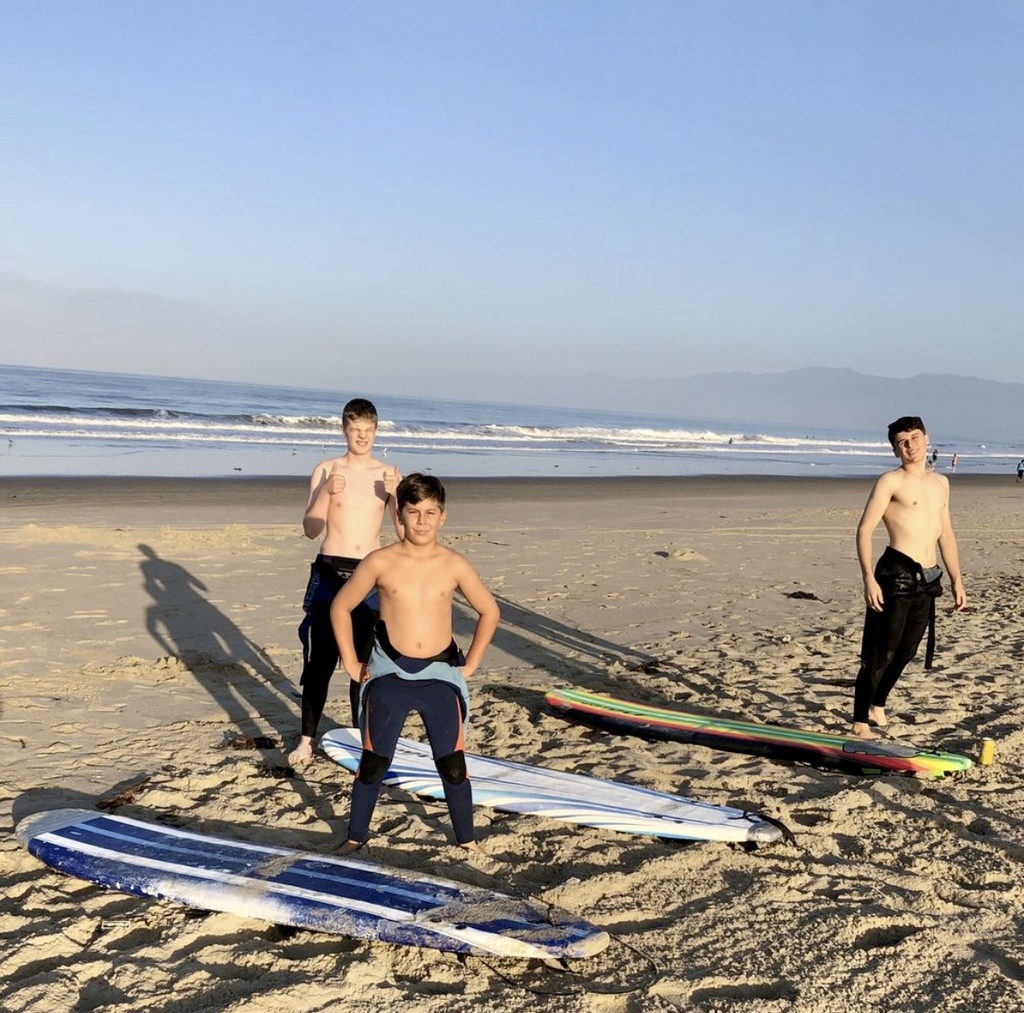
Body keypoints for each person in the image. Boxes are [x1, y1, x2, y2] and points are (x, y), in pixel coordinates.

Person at [330, 473, 500, 853]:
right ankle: (355, 838)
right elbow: (340, 607)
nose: (422, 521)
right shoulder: (380, 561)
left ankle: (467, 840)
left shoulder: (454, 564)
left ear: (443, 516)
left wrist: (471, 663)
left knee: (452, 765)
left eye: (430, 512)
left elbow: (489, 611)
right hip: (389, 675)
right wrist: (351, 661)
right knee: (373, 764)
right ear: (399, 516)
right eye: (413, 512)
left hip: (440, 676)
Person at [288, 398, 402, 767]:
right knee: (320, 661)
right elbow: (311, 529)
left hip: (369, 572)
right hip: (329, 570)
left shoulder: (388, 474)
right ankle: (306, 741)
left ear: (376, 431)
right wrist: (326, 491)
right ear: (343, 430)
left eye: (368, 431)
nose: (362, 437)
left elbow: (403, 533)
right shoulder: (326, 470)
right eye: (355, 430)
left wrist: (395, 495)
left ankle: (361, 740)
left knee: (364, 663)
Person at [851, 416, 966, 739]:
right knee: (881, 651)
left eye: (915, 438)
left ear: (926, 439)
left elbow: (946, 534)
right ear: (895, 450)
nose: (910, 446)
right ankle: (859, 720)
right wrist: (868, 579)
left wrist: (957, 580)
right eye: (902, 442)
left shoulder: (941, 483)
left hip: (928, 579)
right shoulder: (891, 481)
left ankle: (878, 704)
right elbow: (864, 530)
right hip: (896, 575)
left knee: (907, 651)